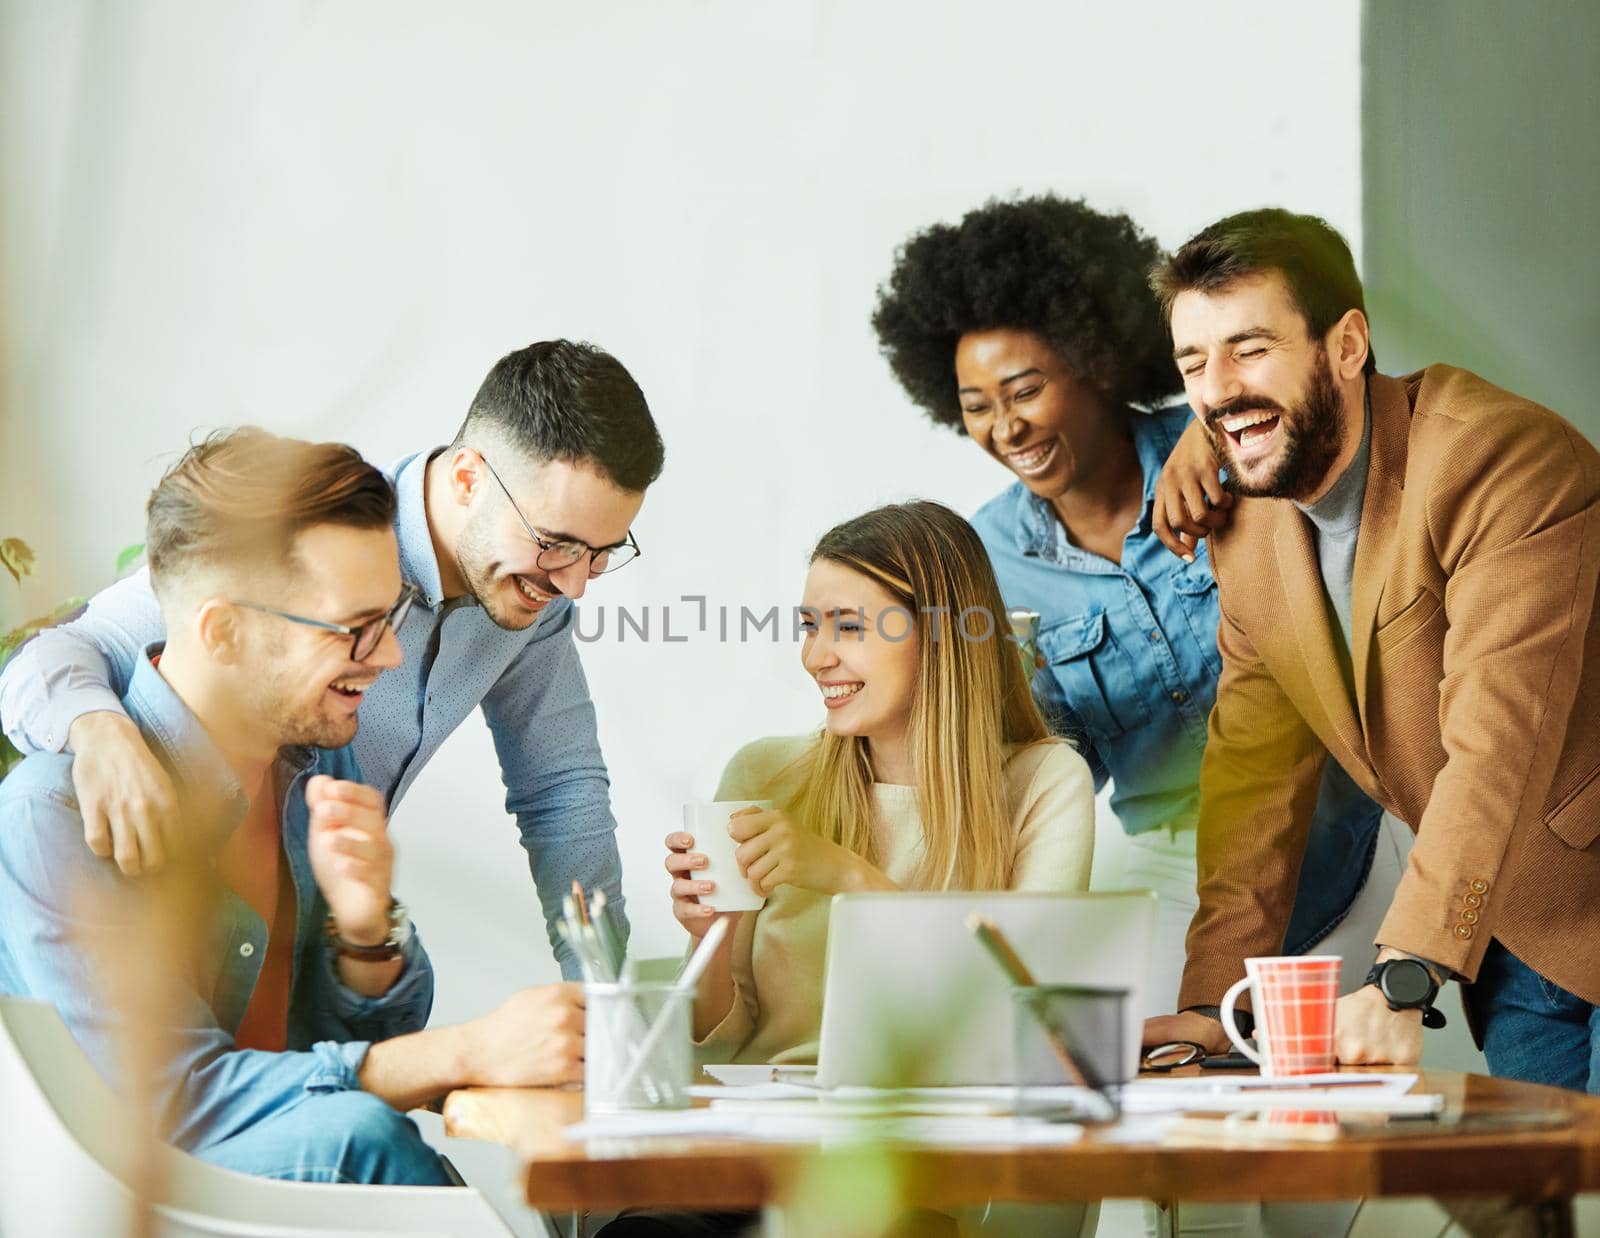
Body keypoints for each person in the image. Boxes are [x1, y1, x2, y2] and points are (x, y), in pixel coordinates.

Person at [0, 428, 585, 1183]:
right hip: (162, 1197)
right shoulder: (55, 817)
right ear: (225, 632)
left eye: (394, 615)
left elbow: (365, 1037)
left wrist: (366, 933)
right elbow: (180, 1101)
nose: (392, 656)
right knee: (361, 1139)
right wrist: (468, 1051)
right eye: (356, 630)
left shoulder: (317, 772)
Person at [869, 195, 1395, 1015]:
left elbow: (1334, 430)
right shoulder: (989, 563)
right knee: (1162, 1069)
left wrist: (1204, 431)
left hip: (1346, 835)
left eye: (1025, 389)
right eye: (977, 407)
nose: (1006, 427)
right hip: (1178, 870)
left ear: (1097, 360)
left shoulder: (1235, 447)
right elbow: (1043, 766)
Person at [0, 339, 663, 978]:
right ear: (468, 479)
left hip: (315, 970)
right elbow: (57, 652)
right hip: (170, 947)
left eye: (600, 554)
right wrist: (100, 734)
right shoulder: (321, 529)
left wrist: (603, 995)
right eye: (556, 543)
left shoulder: (532, 601)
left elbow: (562, 792)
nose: (574, 585)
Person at [1141, 208, 1600, 1091]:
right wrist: (1210, 1008)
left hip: (1568, 880)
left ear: (1347, 345)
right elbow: (1254, 784)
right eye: (1194, 362)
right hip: (1514, 938)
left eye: (1251, 348)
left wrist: (1404, 973)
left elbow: (1499, 743)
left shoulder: (1501, 463)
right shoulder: (1248, 528)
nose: (1218, 387)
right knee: (1532, 1215)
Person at [604, 502, 1094, 1238]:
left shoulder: (1043, 783)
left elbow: (1026, 1028)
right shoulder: (764, 773)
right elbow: (717, 1038)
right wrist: (711, 935)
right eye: (809, 626)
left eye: (849, 628)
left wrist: (849, 876)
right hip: (745, 1155)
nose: (815, 656)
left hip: (910, 1171)